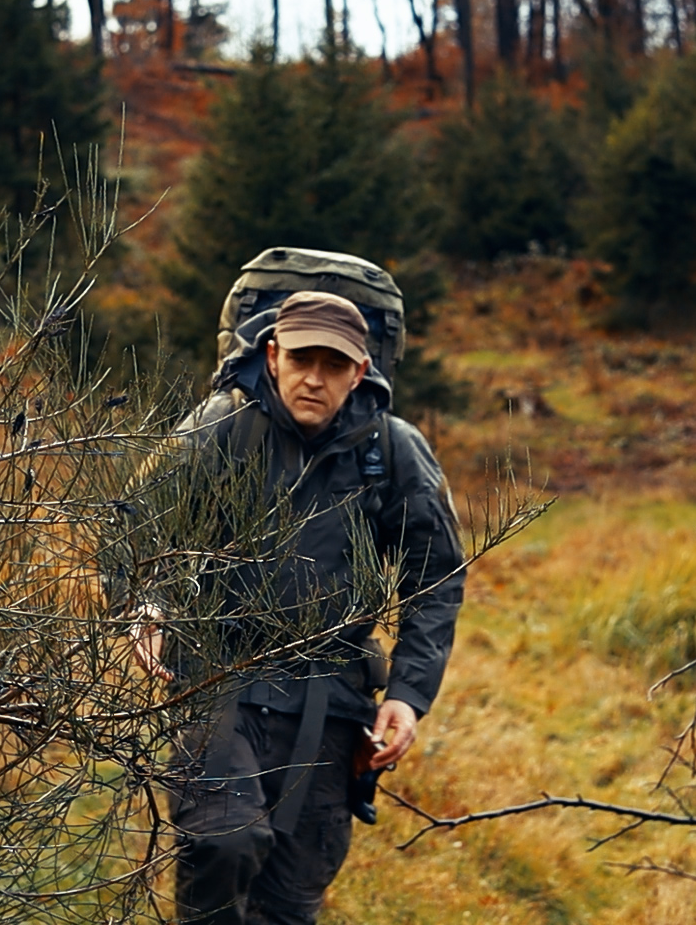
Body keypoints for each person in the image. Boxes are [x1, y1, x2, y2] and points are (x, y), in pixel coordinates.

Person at [130, 290, 466, 925]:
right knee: (226, 842)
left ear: (359, 371)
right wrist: (147, 603)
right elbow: (136, 526)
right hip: (218, 676)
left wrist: (408, 694)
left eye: (333, 365)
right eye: (303, 359)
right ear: (273, 353)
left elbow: (436, 576)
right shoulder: (219, 429)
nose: (315, 378)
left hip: (332, 697)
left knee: (289, 900)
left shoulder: (392, 450)